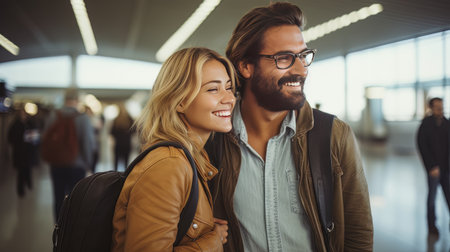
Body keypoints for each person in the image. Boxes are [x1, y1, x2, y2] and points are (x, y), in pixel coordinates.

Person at [205, 2, 373, 251]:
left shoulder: (333, 135)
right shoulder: (212, 140)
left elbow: (358, 234)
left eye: (303, 56)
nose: (301, 69)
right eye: (284, 58)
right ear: (245, 66)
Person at [111, 47, 236, 251]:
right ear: (180, 100)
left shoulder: (193, 158)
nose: (229, 99)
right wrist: (213, 241)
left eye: (229, 88)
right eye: (213, 89)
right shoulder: (169, 165)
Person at [43, 88, 96, 221]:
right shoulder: (83, 118)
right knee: (75, 198)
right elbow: (87, 143)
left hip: (57, 163)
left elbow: (46, 138)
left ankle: (58, 227)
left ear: (65, 99)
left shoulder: (54, 115)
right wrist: (88, 163)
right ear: (77, 100)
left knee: (58, 197)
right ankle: (71, 228)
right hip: (77, 165)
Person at [417, 97, 450, 237]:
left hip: (447, 169)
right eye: (437, 107)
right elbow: (422, 146)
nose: (440, 109)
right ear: (431, 108)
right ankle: (431, 226)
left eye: (441, 107)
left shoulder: (447, 123)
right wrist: (431, 166)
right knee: (432, 198)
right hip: (434, 170)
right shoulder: (426, 124)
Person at [7, 106, 38, 197]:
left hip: (29, 152)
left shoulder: (31, 124)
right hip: (19, 152)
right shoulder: (15, 125)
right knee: (21, 172)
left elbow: (35, 138)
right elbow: (10, 138)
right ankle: (20, 190)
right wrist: (20, 139)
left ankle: (29, 184)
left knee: (28, 169)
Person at [110, 103, 134, 171]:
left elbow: (112, 132)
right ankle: (125, 179)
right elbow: (134, 131)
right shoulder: (130, 119)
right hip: (127, 144)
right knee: (126, 163)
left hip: (118, 144)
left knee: (116, 163)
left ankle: (115, 178)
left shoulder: (116, 119)